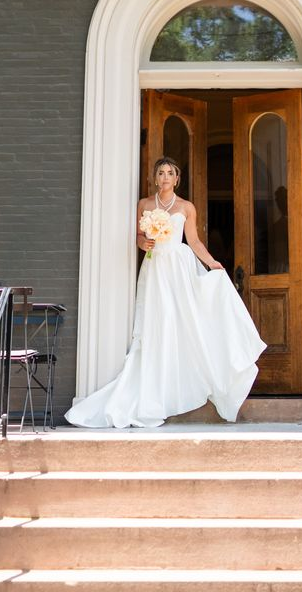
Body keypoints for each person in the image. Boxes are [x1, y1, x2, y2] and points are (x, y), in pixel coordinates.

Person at [65, 155, 266, 428]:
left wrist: (212, 263)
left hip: (178, 268)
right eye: (161, 173)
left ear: (177, 178)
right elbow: (138, 236)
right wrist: (143, 242)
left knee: (182, 319)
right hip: (154, 268)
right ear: (155, 177)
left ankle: (187, 376)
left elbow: (193, 240)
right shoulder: (145, 204)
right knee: (155, 323)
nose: (165, 178)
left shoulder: (186, 207)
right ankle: (153, 385)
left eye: (170, 173)